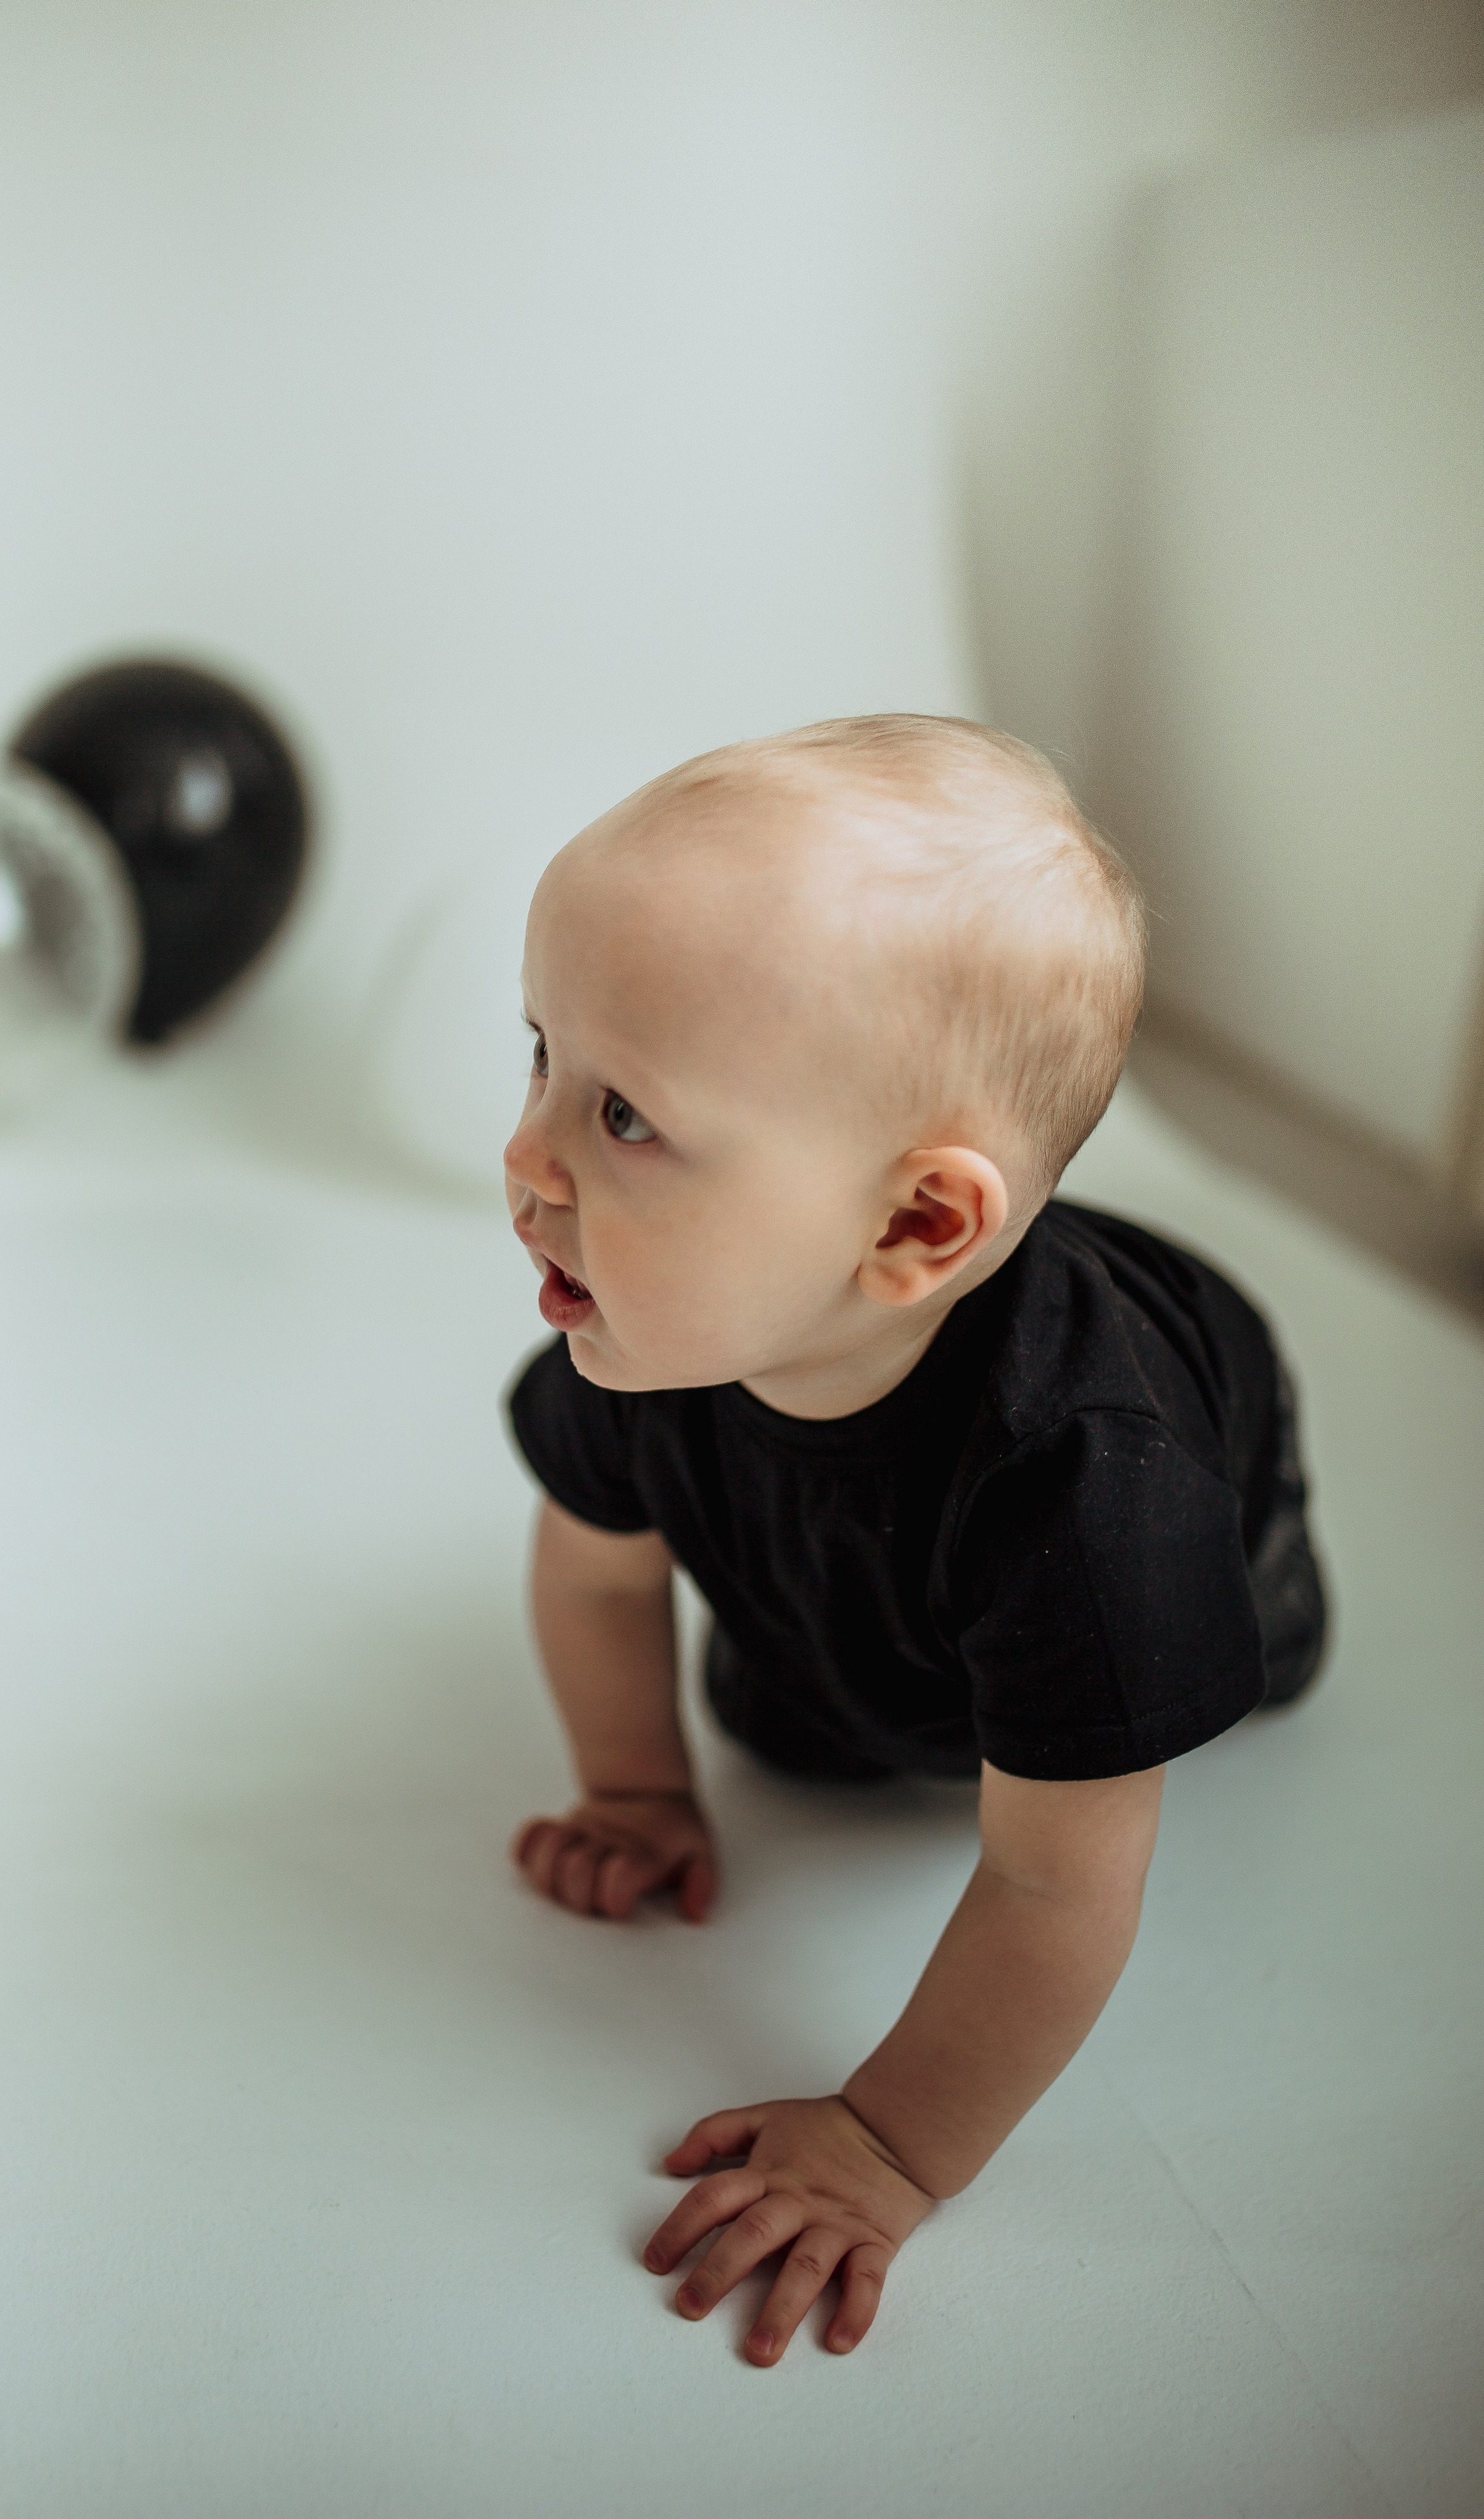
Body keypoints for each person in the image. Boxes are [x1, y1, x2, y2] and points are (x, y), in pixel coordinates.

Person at [502, 714, 1326, 2368]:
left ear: (912, 1224)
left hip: (1183, 1553)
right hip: (856, 1591)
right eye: (538, 1058)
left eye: (627, 1120)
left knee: (1165, 1685)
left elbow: (1046, 1885)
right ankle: (862, 1670)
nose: (525, 1161)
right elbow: (595, 1569)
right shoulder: (652, 1331)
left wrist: (886, 2143)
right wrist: (636, 1786)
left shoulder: (1092, 1492)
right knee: (793, 1726)